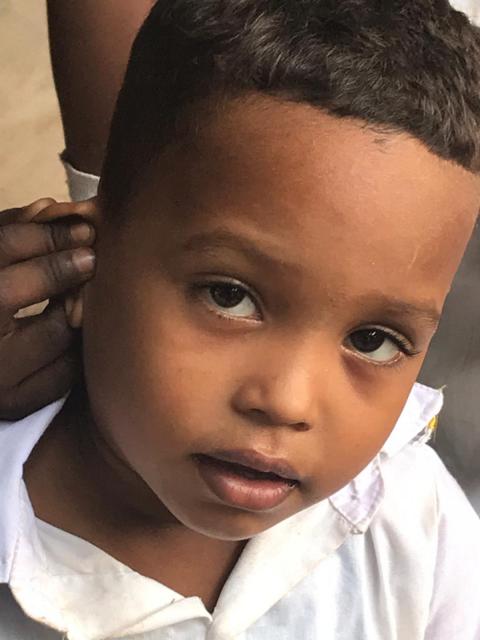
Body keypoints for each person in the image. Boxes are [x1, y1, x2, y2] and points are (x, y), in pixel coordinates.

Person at [1, 1, 480, 637]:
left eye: (373, 340)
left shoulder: (417, 525)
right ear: (84, 257)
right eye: (229, 297)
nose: (287, 401)